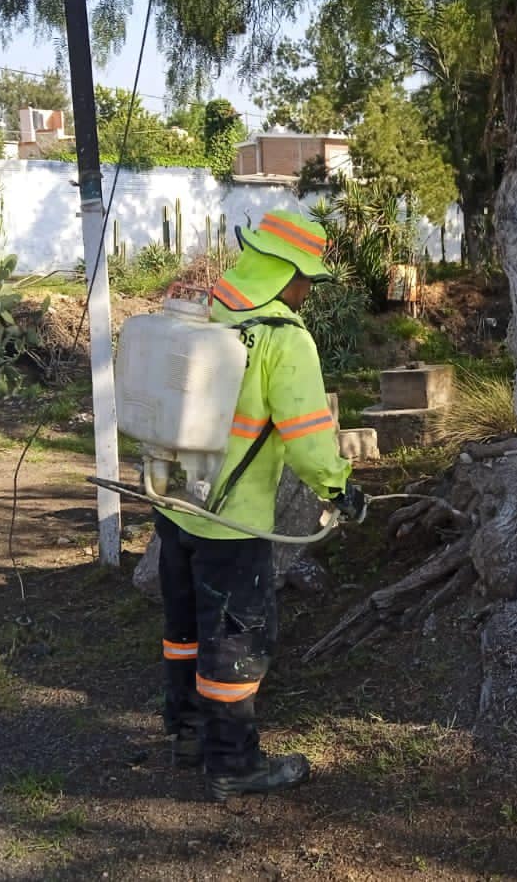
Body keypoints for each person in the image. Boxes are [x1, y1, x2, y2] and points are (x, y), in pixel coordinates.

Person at [155, 209, 367, 802]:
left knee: (185, 631)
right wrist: (338, 489)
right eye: (306, 280)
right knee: (235, 641)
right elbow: (308, 440)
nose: (307, 292)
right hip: (232, 523)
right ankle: (234, 765)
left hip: (172, 504)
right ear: (284, 272)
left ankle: (189, 736)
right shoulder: (283, 338)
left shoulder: (203, 313)